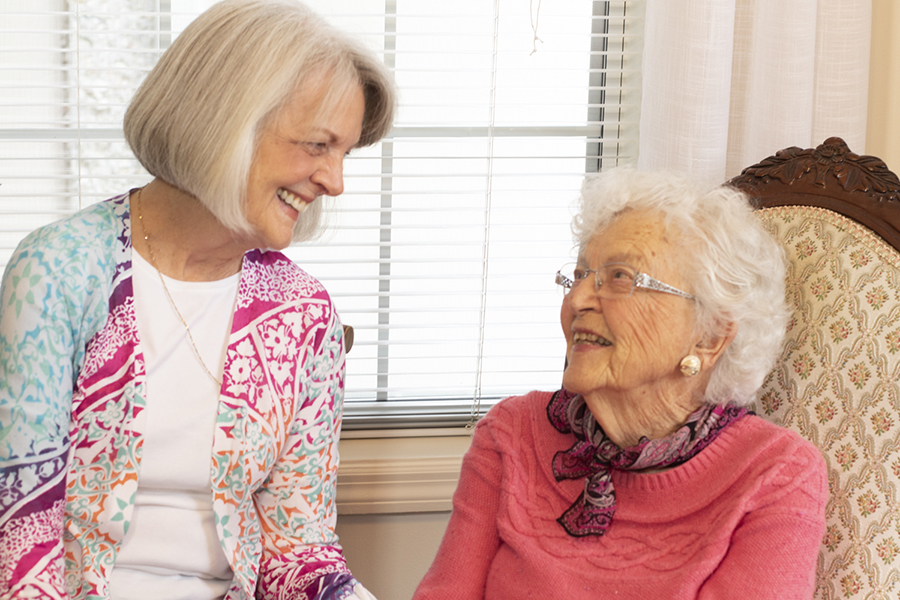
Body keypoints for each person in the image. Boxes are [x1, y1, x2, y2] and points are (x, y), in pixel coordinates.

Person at [0, 1, 394, 599]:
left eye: (344, 154)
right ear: (227, 120)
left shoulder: (303, 315)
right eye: (317, 145)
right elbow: (22, 535)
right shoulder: (60, 270)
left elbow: (298, 547)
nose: (335, 182)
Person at [412, 169, 827, 599]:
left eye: (620, 278)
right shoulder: (511, 433)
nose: (577, 300)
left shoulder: (775, 474)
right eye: (579, 276)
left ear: (709, 336)